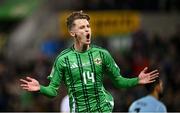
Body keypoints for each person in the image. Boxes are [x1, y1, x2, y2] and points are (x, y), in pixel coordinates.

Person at [20, 10, 159, 112]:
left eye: (88, 26)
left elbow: (119, 81)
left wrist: (137, 80)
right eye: (82, 27)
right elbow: (53, 91)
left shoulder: (102, 54)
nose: (87, 30)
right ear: (72, 33)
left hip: (102, 109)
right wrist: (40, 88)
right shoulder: (63, 59)